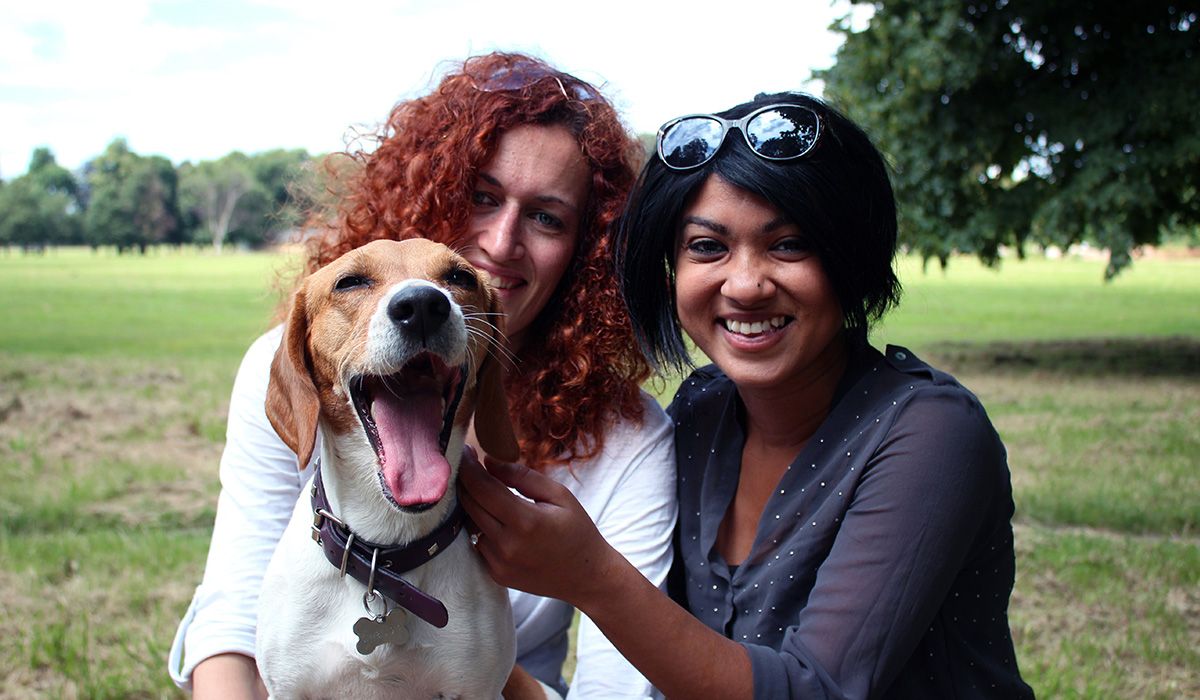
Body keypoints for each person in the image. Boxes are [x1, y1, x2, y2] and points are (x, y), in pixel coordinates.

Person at [459, 93, 1036, 698]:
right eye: (707, 246)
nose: (746, 284)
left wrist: (592, 576)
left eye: (788, 245)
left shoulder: (932, 433)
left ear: (850, 256)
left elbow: (817, 689)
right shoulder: (701, 414)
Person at [168, 52, 677, 699]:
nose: (500, 241)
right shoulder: (292, 361)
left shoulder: (632, 440)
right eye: (481, 196)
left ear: (588, 249)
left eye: (548, 216)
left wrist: (576, 579)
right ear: (430, 187)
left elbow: (614, 691)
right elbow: (232, 622)